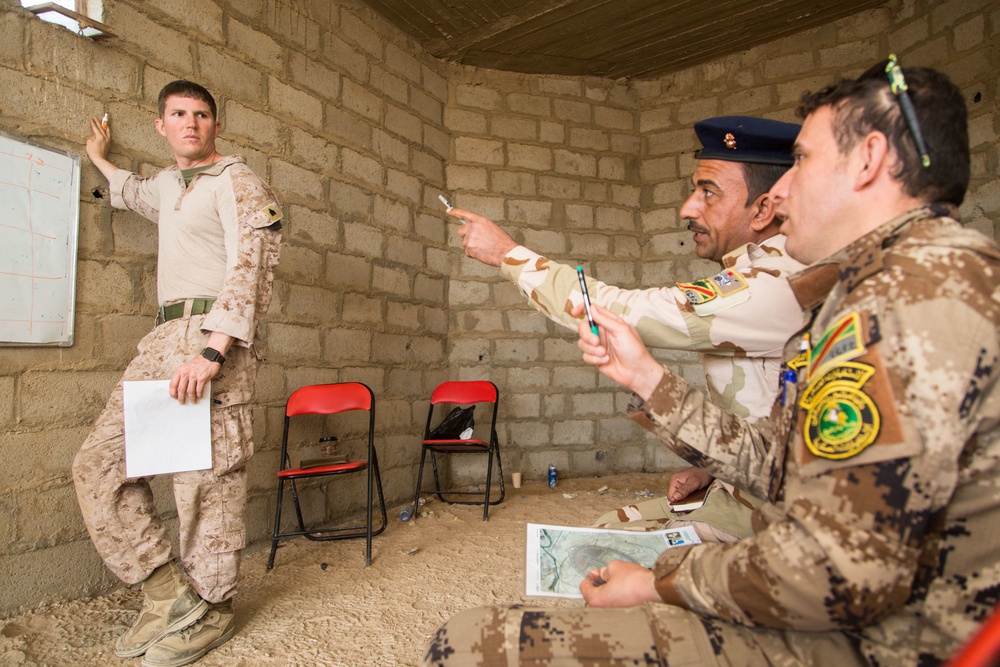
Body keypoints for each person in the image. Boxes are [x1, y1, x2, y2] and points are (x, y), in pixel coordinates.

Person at [425, 60, 999, 666]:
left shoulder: (915, 298)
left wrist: (663, 578)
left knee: (472, 645)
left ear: (870, 159)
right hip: (858, 606)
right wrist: (646, 378)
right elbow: (783, 464)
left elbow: (839, 570)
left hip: (887, 642)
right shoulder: (893, 283)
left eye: (801, 160)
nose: (780, 194)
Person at [450, 116, 805, 540]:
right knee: (609, 526)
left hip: (781, 514)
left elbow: (624, 310)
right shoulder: (759, 269)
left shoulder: (780, 283)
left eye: (708, 192)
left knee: (606, 550)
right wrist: (710, 471)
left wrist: (509, 255)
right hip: (747, 483)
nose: (687, 209)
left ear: (764, 208)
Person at [72, 80, 282, 667]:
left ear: (215, 125)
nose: (191, 123)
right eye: (178, 114)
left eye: (202, 115)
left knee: (205, 480)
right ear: (161, 124)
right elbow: (130, 191)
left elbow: (253, 262)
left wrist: (214, 353)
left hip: (213, 336)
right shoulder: (167, 185)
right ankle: (168, 594)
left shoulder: (237, 179)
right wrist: (96, 157)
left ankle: (212, 609)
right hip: (161, 338)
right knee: (98, 463)